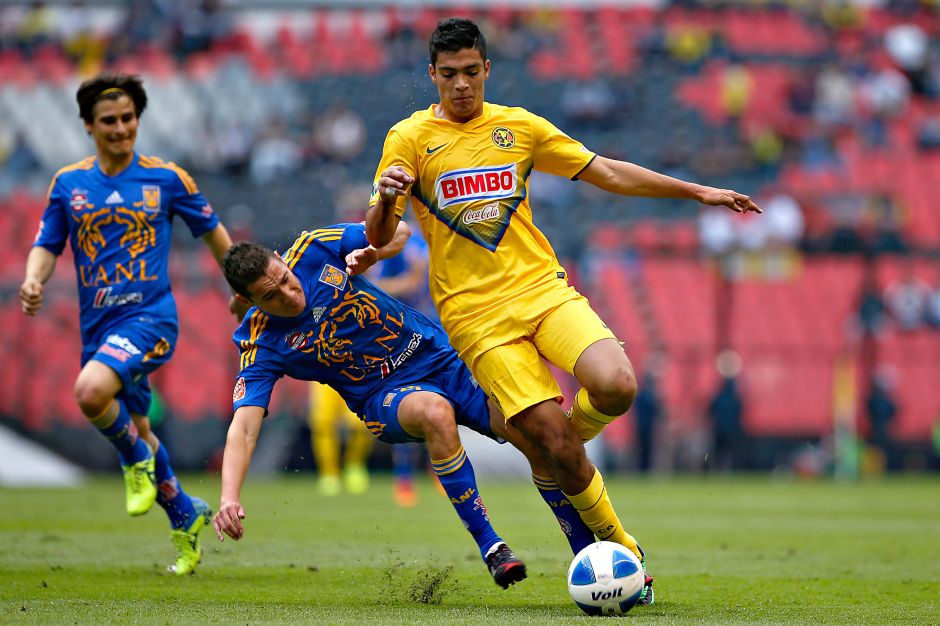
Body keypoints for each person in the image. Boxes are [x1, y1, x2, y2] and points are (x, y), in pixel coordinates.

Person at [365, 17, 762, 604]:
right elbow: (378, 233)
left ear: (486, 70)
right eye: (448, 75)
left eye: (471, 73)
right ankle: (624, 549)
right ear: (432, 75)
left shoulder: (518, 127)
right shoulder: (407, 140)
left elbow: (606, 172)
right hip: (477, 320)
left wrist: (696, 191)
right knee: (556, 440)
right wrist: (389, 196)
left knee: (617, 385)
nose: (461, 86)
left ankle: (559, 453)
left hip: (543, 291)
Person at [213, 222, 603, 589]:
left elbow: (397, 232)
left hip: (440, 357)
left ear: (282, 260)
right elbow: (244, 426)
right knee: (435, 412)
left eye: (284, 279)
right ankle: (492, 545)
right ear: (246, 301)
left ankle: (590, 553)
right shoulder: (260, 342)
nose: (288, 294)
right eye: (271, 296)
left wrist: (375, 253)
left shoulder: (314, 247)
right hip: (383, 397)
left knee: (534, 434)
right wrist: (229, 496)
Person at [19, 72, 236, 575]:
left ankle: (133, 463)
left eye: (128, 119)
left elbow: (215, 234)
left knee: (90, 393)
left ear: (138, 120)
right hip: (99, 327)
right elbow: (47, 244)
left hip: (152, 319)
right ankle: (184, 514)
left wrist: (242, 290)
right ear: (88, 127)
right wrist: (34, 280)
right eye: (109, 121)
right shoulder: (68, 184)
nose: (121, 129)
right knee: (140, 427)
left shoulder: (167, 179)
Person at [368, 222, 435, 507]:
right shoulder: (387, 245)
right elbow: (373, 285)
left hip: (431, 329)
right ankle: (404, 479)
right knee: (405, 402)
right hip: (398, 337)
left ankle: (440, 473)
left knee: (443, 403)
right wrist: (408, 280)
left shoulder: (425, 242)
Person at [307, 380, 373, 496]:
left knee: (361, 423)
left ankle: (354, 465)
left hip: (355, 373)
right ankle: (329, 473)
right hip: (321, 372)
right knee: (323, 423)